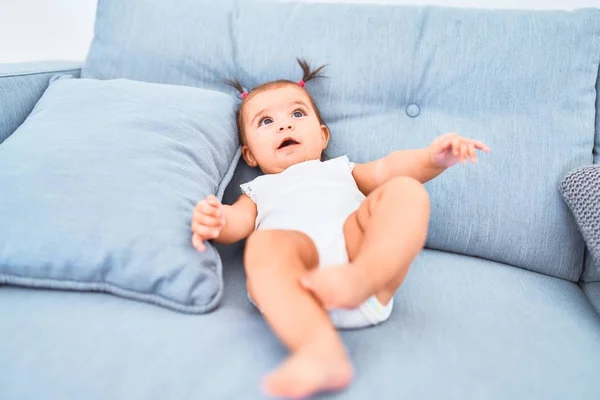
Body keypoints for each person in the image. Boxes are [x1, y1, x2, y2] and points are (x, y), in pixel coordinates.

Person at [191, 59, 490, 399]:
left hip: (361, 269)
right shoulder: (259, 191)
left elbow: (390, 168)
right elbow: (237, 224)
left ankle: (361, 278)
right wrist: (217, 220)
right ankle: (320, 351)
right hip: (297, 291)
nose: (284, 127)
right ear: (249, 155)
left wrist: (433, 159)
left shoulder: (342, 170)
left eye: (297, 115)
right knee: (264, 244)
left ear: (322, 136)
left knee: (406, 191)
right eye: (266, 121)